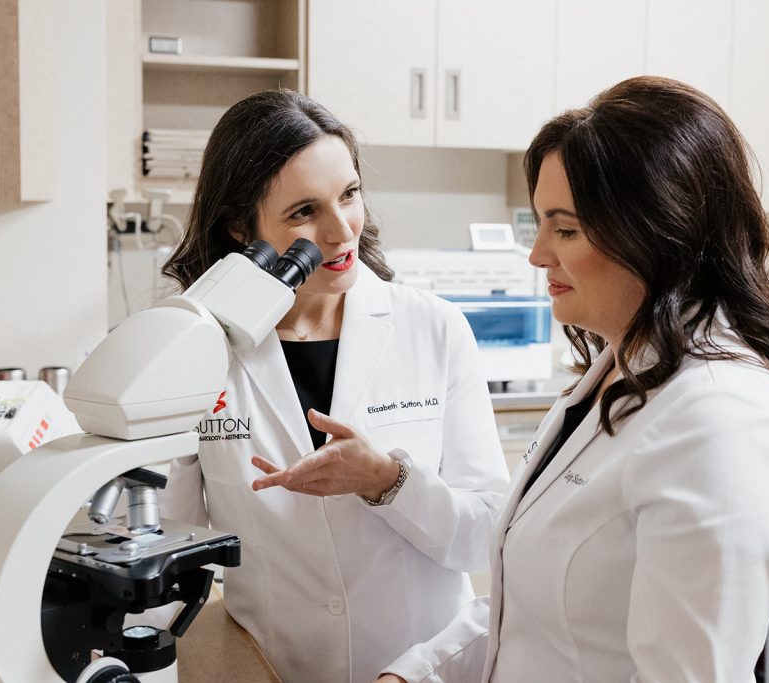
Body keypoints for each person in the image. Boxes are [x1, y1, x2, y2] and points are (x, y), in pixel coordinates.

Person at [377, 75, 769, 682]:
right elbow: (537, 610)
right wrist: (415, 673)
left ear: (661, 231)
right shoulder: (615, 370)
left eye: (565, 229)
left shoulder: (720, 420)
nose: (537, 254)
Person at [159, 89, 509, 683]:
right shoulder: (196, 352)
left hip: (420, 669)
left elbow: (484, 540)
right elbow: (167, 547)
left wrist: (388, 482)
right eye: (303, 212)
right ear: (243, 227)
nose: (340, 229)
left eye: (349, 195)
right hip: (272, 666)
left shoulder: (434, 327)